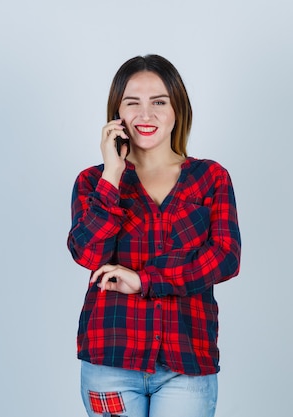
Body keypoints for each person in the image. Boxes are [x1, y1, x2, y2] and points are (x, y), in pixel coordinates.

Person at [67, 54, 241, 417]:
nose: (145, 115)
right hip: (110, 363)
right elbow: (88, 254)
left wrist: (145, 280)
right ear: (117, 114)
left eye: (159, 102)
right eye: (133, 103)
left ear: (177, 109)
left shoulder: (210, 178)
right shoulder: (92, 182)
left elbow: (225, 257)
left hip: (186, 364)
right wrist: (112, 174)